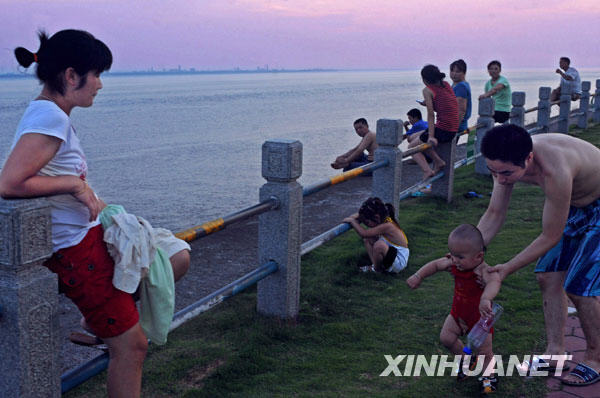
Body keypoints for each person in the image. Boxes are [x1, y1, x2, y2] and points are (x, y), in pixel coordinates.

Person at [0, 30, 190, 398]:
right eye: (97, 74)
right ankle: (111, 328)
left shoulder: (48, 113)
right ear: (71, 76)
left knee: (175, 256)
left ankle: (97, 324)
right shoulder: (50, 117)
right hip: (74, 252)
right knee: (132, 347)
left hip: (91, 234)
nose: (100, 84)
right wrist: (76, 185)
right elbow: (9, 182)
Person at [478, 124, 600, 387]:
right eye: (493, 172)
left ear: (529, 159)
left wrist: (505, 268)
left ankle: (595, 358)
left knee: (580, 286)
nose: (499, 179)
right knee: (547, 276)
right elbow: (495, 214)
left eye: (507, 173)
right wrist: (470, 254)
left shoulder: (555, 168)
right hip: (578, 204)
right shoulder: (504, 160)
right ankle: (555, 352)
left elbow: (551, 236)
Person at [407, 224, 501, 392]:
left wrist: (486, 298)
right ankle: (467, 358)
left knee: (485, 352)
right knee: (446, 338)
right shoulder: (454, 263)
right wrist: (418, 275)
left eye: (460, 257)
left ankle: (489, 376)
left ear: (479, 256)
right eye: (452, 254)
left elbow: (495, 282)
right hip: (458, 313)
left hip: (480, 318)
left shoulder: (484, 271)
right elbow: (435, 265)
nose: (454, 259)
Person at [412, 64, 460, 180]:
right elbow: (446, 106)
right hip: (453, 129)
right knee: (418, 138)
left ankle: (429, 169)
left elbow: (430, 115)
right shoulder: (447, 85)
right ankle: (437, 162)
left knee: (412, 147)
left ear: (424, 80)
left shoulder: (427, 90)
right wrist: (428, 103)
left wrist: (431, 136)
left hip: (443, 130)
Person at [343, 197, 409, 273]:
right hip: (392, 254)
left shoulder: (387, 226)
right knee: (368, 239)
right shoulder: (383, 218)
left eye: (367, 222)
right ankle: (375, 265)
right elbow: (357, 217)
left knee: (379, 245)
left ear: (376, 217)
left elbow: (364, 234)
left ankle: (377, 270)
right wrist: (359, 216)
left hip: (399, 261)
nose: (367, 225)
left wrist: (353, 221)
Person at [450, 59, 472, 134]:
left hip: (456, 125)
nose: (454, 74)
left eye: (457, 71)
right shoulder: (456, 84)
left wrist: (454, 129)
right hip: (456, 124)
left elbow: (461, 110)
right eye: (452, 71)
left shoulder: (461, 86)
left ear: (464, 73)